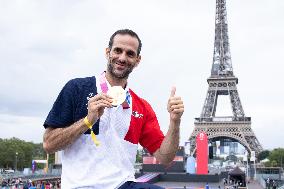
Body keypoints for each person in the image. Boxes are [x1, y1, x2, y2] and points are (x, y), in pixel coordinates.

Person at [43, 29, 184, 189]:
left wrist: (175, 121)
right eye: (118, 50)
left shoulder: (141, 107)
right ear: (107, 52)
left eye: (130, 54)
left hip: (122, 185)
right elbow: (49, 144)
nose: (122, 58)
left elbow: (164, 157)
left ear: (137, 60)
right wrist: (87, 121)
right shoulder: (76, 88)